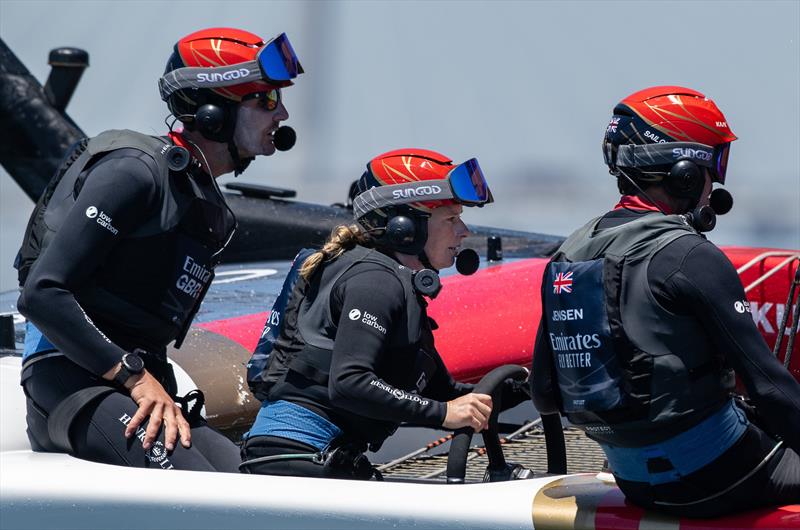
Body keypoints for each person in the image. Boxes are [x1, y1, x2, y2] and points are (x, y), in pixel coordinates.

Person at [15, 27, 303, 472]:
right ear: (213, 113)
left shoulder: (203, 199)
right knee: (214, 502)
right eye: (265, 100)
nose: (281, 113)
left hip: (143, 383)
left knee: (255, 487)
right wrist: (134, 377)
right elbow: (42, 294)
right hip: (75, 382)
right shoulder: (135, 171)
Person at [530, 86, 800, 517]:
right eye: (714, 166)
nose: (715, 185)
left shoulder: (569, 253)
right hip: (716, 478)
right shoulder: (690, 256)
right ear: (685, 173)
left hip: (633, 483)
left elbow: (544, 393)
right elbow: (771, 390)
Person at [241, 149, 521, 479]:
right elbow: (350, 384)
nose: (463, 231)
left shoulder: (391, 280)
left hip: (302, 457)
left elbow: (443, 393)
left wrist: (539, 390)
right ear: (404, 227)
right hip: (298, 458)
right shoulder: (375, 280)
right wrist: (445, 414)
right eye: (450, 219)